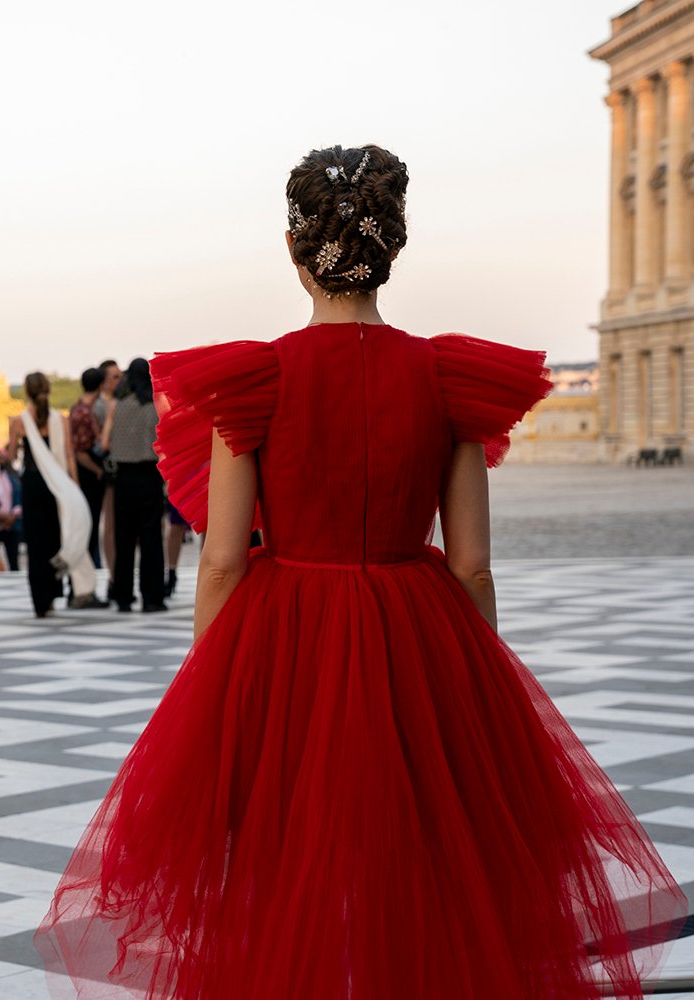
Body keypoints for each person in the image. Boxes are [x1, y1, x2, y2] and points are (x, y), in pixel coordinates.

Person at [37, 144, 686, 999]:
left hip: (287, 635)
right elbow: (474, 563)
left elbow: (225, 560)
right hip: (419, 628)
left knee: (282, 872)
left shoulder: (255, 378)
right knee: (426, 876)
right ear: (393, 249)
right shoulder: (447, 376)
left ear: (295, 252)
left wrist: (213, 689)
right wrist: (476, 686)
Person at [9, 372, 98, 617]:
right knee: (54, 538)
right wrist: (74, 487)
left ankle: (40, 600)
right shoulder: (61, 419)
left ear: (26, 392)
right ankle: (53, 593)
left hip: (32, 484)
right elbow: (69, 455)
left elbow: (10, 455)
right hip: (56, 485)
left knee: (35, 544)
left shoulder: (19, 421)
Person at [99, 357, 166, 612]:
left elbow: (105, 444)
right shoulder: (155, 405)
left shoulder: (117, 405)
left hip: (123, 479)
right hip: (149, 475)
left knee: (123, 538)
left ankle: (123, 595)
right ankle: (152, 597)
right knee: (151, 538)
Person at [69, 367, 107, 571]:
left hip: (86, 473)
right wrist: (97, 470)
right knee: (89, 525)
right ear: (101, 385)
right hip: (89, 475)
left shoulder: (77, 409)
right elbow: (80, 452)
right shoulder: (85, 412)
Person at [95, 358, 121, 580]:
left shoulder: (123, 402)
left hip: (124, 469)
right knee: (110, 523)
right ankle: (113, 573)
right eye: (114, 376)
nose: (119, 380)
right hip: (108, 469)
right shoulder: (100, 406)